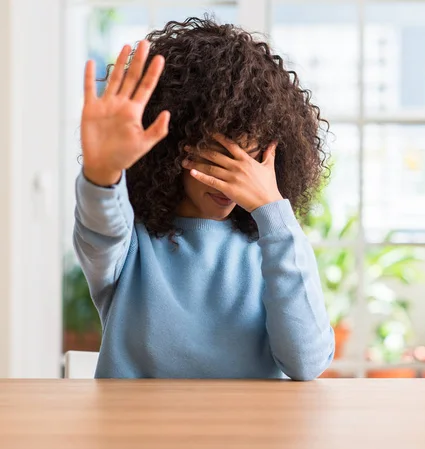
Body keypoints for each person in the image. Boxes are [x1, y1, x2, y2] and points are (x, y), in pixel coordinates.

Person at [73, 16, 334, 379]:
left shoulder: (275, 246)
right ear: (171, 150)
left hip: (249, 435)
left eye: (250, 158)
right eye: (214, 154)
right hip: (138, 434)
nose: (229, 181)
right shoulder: (129, 246)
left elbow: (306, 363)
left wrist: (274, 212)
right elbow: (101, 224)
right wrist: (103, 172)